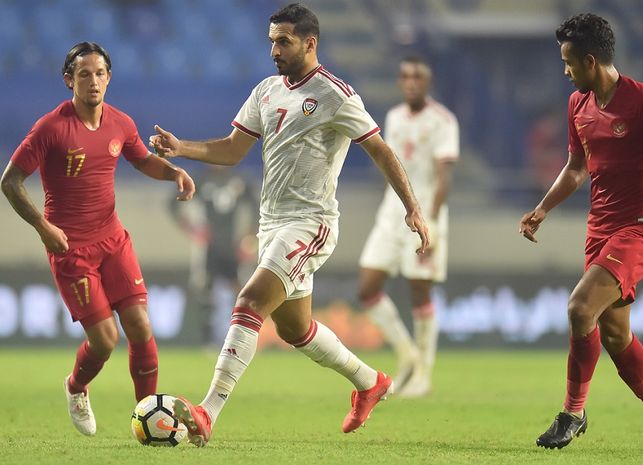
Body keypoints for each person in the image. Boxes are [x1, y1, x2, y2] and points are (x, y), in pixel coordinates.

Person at [149, 3, 429, 447]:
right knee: (296, 329)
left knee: (249, 299)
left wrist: (412, 207)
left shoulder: (336, 93)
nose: (274, 50)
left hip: (311, 223)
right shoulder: (265, 91)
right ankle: (370, 382)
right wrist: (181, 147)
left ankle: (208, 410)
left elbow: (380, 149)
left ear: (310, 42)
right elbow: (232, 149)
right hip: (271, 225)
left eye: (283, 41)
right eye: (271, 41)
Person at [519, 14, 643, 451]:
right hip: (598, 229)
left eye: (569, 63)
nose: (565, 71)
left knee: (580, 308)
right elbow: (577, 168)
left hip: (638, 229)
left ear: (591, 61)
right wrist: (543, 208)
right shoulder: (578, 106)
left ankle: (573, 413)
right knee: (615, 334)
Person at [0, 42, 195, 437]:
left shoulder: (120, 123)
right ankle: (76, 386)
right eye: (84, 74)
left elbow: (141, 159)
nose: (94, 80)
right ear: (69, 80)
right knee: (105, 340)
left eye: (100, 73)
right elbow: (10, 181)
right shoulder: (51, 128)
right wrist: (43, 226)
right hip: (70, 249)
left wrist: (174, 172)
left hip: (113, 240)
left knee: (140, 326)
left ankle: (150, 417)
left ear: (109, 78)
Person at [357, 56, 458, 398]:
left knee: (420, 290)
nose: (410, 82)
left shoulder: (443, 121)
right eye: (405, 77)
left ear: (427, 82)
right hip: (391, 213)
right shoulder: (394, 117)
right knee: (368, 286)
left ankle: (423, 375)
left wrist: (432, 221)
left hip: (425, 215)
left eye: (417, 76)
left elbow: (443, 178)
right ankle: (408, 354)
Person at [170, 166, 257, 343]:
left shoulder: (239, 181)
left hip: (233, 245)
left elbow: (257, 209)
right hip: (209, 247)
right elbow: (173, 205)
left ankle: (241, 336)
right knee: (205, 289)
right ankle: (207, 339)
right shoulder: (200, 181)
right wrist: (193, 230)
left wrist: (249, 238)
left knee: (241, 289)